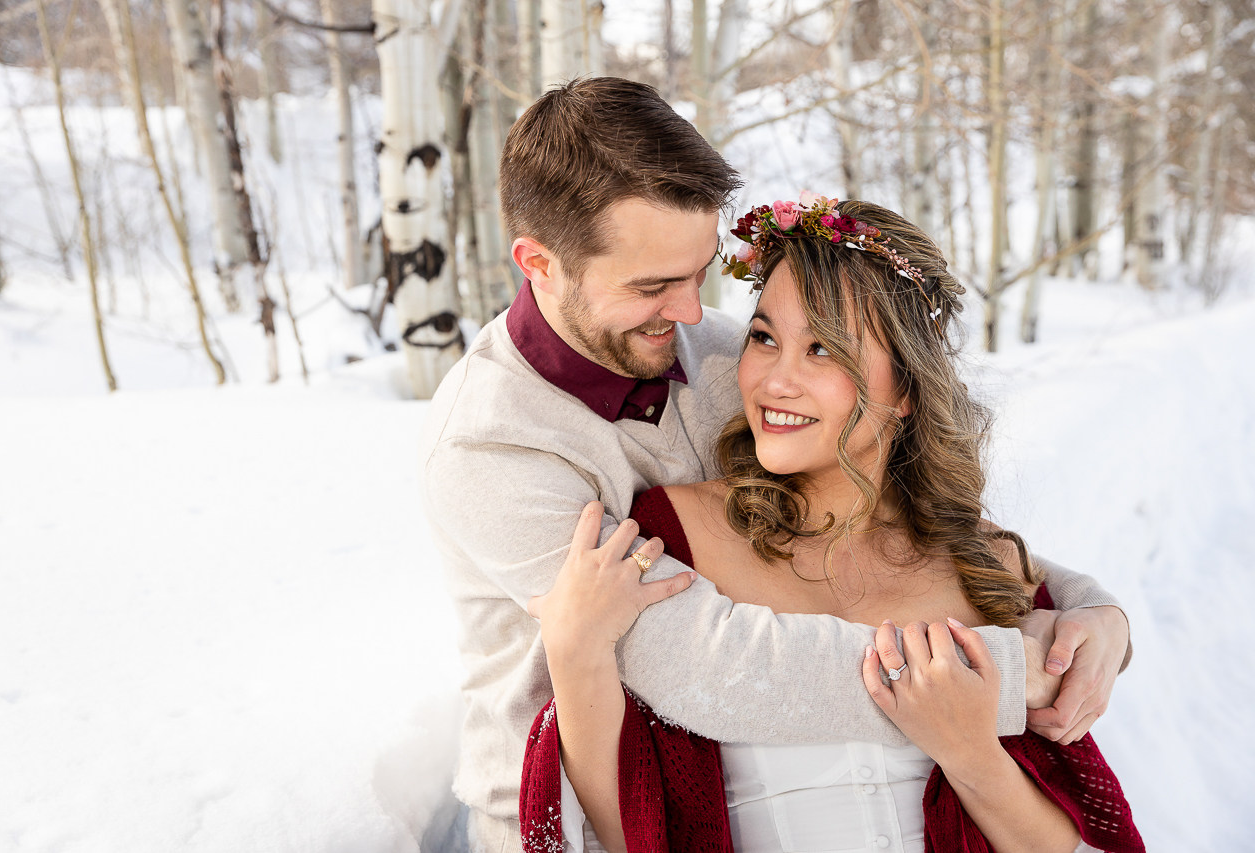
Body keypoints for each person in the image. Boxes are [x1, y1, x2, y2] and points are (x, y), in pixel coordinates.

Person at [418, 78, 1131, 853]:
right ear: (540, 264)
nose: (692, 313)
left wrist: (1092, 612)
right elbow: (699, 662)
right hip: (585, 815)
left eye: (699, 273)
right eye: (654, 285)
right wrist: (998, 676)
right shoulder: (489, 444)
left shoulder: (731, 355)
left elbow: (888, 508)